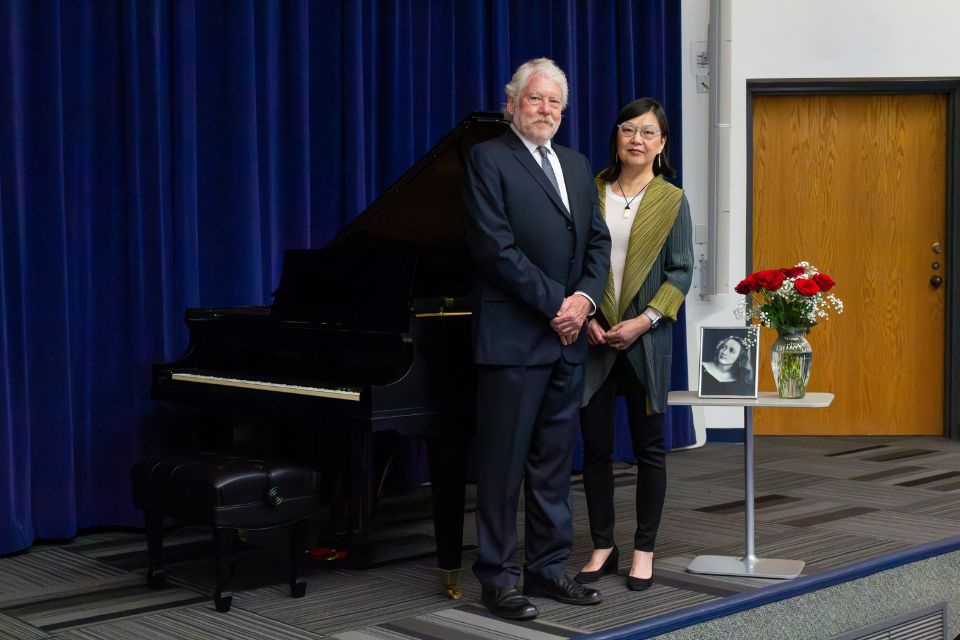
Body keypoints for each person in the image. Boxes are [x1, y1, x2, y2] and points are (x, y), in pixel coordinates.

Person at [460, 58, 611, 621]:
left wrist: (585, 302)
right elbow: (494, 250)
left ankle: (547, 570)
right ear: (512, 104)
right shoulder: (487, 159)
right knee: (502, 468)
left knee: (553, 466)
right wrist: (558, 305)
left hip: (567, 340)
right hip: (514, 340)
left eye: (554, 103)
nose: (545, 110)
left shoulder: (575, 164)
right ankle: (497, 581)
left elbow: (596, 246)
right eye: (535, 100)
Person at [575, 98, 693, 592]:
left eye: (648, 132)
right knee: (596, 450)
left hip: (646, 340)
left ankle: (644, 548)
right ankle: (604, 544)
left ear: (662, 144)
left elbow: (682, 271)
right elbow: (574, 260)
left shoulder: (672, 199)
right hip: (596, 337)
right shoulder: (591, 191)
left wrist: (643, 321)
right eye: (628, 130)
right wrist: (585, 319)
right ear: (617, 138)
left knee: (649, 451)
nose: (637, 139)